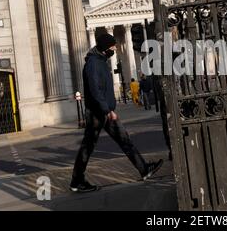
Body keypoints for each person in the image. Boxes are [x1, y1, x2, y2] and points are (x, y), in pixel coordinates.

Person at [70, 33, 163, 193]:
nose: (115, 48)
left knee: (123, 140)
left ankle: (144, 169)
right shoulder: (93, 64)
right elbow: (95, 90)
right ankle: (77, 180)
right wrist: (107, 110)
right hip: (98, 113)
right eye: (113, 46)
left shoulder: (100, 61)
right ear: (106, 47)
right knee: (89, 146)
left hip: (104, 111)